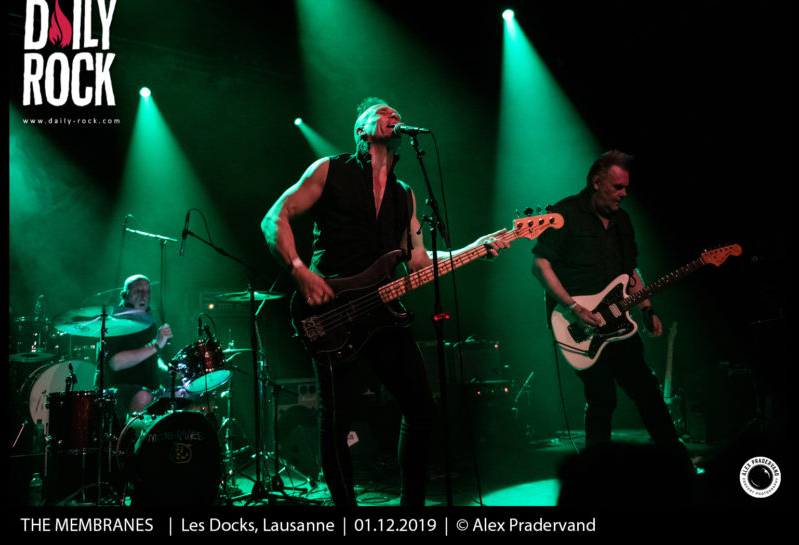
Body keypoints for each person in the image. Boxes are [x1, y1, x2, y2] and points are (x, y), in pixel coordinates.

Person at [261, 97, 508, 506]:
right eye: (382, 112)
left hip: (382, 314)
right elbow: (274, 217)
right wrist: (299, 270)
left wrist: (474, 248)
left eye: (396, 112)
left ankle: (411, 509)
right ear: (360, 130)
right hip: (330, 311)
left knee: (422, 410)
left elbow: (418, 261)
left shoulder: (404, 194)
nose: (394, 115)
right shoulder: (329, 170)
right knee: (336, 421)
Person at [532, 150, 690, 463]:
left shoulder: (623, 221)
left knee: (647, 391)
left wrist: (647, 309)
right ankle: (594, 476)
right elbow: (540, 265)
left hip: (619, 322)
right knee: (602, 398)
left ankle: (678, 462)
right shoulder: (565, 213)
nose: (624, 193)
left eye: (626, 187)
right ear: (596, 182)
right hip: (578, 324)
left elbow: (630, 274)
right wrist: (573, 307)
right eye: (618, 187)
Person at [102, 274, 172, 421]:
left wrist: (168, 370)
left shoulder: (149, 322)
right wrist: (156, 345)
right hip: (118, 390)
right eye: (138, 291)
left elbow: (151, 356)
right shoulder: (115, 322)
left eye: (147, 291)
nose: (143, 295)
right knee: (143, 397)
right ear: (124, 295)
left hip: (149, 387)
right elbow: (116, 363)